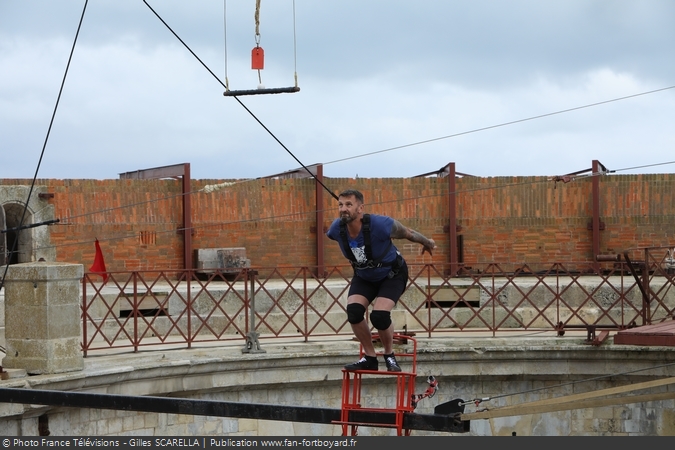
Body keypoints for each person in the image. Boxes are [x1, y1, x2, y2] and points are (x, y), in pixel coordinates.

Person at [327, 189, 436, 372]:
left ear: (360, 208)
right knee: (354, 312)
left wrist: (428, 242)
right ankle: (370, 357)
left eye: (348, 205)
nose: (343, 209)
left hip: (392, 274)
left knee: (379, 316)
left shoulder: (381, 225)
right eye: (340, 205)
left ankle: (389, 355)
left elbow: (408, 233)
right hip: (364, 276)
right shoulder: (335, 230)